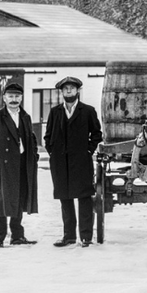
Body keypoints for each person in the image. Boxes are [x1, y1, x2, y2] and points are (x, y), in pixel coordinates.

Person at [43, 76, 104, 248]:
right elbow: (48, 137)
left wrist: (88, 151)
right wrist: (53, 152)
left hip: (81, 162)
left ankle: (85, 237)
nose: (68, 91)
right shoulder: (55, 112)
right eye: (65, 88)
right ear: (61, 92)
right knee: (65, 199)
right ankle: (68, 236)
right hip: (60, 163)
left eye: (72, 88)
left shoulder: (88, 111)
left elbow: (97, 134)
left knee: (84, 198)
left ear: (78, 91)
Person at [0, 81, 39, 248]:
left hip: (22, 164)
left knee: (18, 199)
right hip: (3, 167)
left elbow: (31, 139)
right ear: (4, 98)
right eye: (10, 96)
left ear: (21, 98)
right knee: (0, 201)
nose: (14, 99)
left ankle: (17, 236)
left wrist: (33, 156)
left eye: (17, 96)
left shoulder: (25, 117)